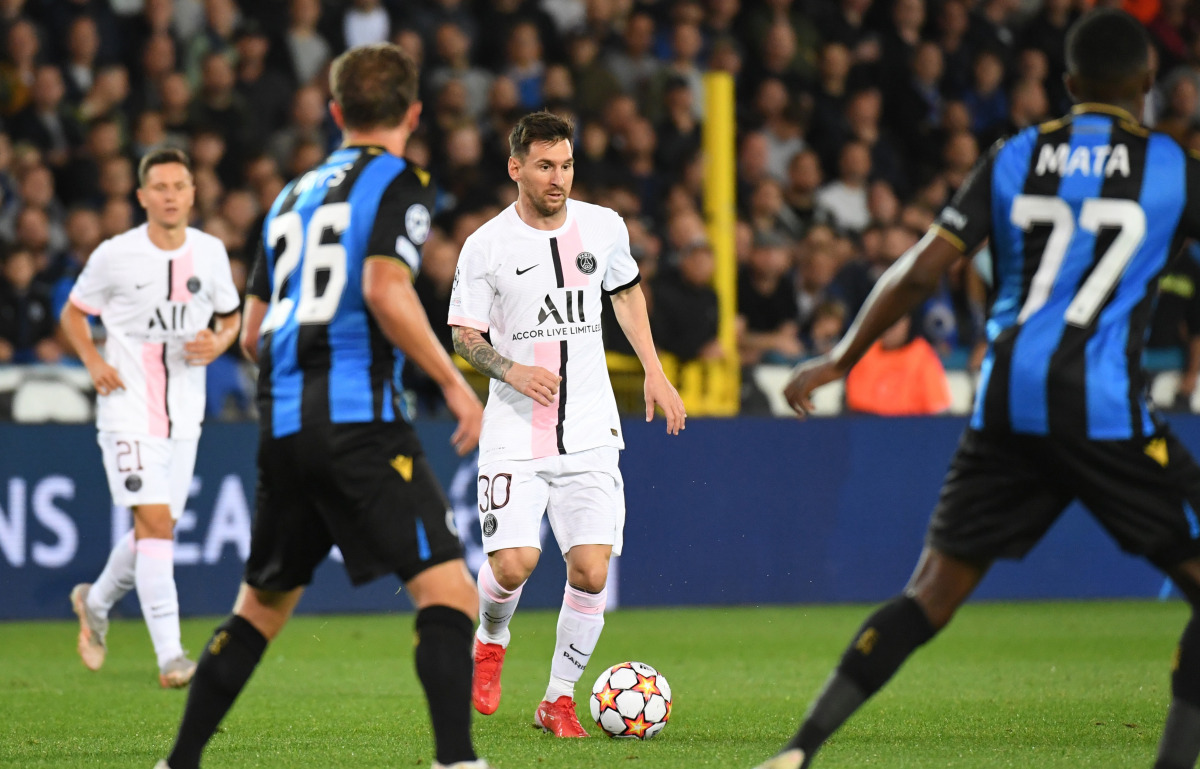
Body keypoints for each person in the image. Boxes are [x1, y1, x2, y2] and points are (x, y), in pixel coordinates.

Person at [757, 10, 1200, 769]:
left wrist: (841, 356)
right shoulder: (1173, 168)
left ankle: (799, 749)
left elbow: (922, 268)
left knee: (929, 592)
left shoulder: (1014, 155)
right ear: (1149, 86)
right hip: (1103, 409)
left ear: (1066, 86)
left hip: (1005, 404)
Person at [154, 44, 490, 769]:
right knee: (450, 593)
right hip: (359, 421)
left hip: (281, 425)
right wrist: (458, 384)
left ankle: (176, 763)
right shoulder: (401, 179)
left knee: (259, 610)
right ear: (413, 113)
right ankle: (458, 762)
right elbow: (383, 286)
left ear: (336, 112)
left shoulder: (289, 196)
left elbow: (248, 333)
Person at [449, 110, 686, 738]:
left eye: (567, 164)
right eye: (546, 166)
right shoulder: (486, 245)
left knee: (591, 570)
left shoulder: (604, 226)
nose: (559, 178)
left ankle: (558, 699)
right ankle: (490, 640)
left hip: (589, 427)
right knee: (514, 564)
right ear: (516, 168)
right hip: (515, 431)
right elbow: (464, 335)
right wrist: (509, 369)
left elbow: (627, 294)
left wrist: (655, 373)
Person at [61, 147, 242, 689]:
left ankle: (93, 604)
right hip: (127, 409)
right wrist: (93, 360)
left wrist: (220, 340)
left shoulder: (210, 253)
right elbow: (73, 313)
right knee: (156, 524)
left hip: (185, 413)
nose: (169, 195)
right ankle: (171, 655)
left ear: (192, 193)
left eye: (179, 186)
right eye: (159, 187)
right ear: (142, 197)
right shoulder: (115, 254)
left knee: (152, 530)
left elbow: (231, 316)